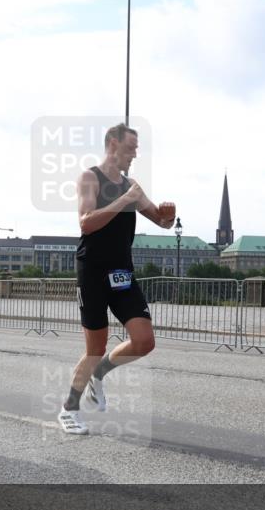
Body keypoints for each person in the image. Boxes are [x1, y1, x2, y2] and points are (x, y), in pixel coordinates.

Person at [57, 123, 177, 434]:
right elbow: (86, 223)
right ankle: (69, 409)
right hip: (93, 272)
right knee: (94, 347)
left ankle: (100, 374)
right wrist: (125, 200)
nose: (135, 154)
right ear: (113, 144)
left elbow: (162, 222)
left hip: (122, 273)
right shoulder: (89, 178)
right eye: (130, 147)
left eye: (137, 148)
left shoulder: (132, 185)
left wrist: (169, 214)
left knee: (144, 340)